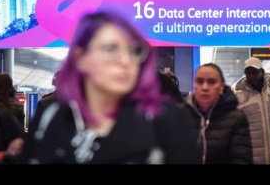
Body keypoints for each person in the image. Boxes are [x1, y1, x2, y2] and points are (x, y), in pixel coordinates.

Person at [19, 10, 201, 164]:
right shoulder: (51, 119)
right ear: (80, 58)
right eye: (110, 49)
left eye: (133, 51)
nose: (125, 60)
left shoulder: (165, 119)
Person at [183, 62, 253, 164]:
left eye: (212, 82)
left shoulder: (236, 119)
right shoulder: (181, 116)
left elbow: (241, 159)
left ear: (221, 86)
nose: (205, 87)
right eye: (199, 81)